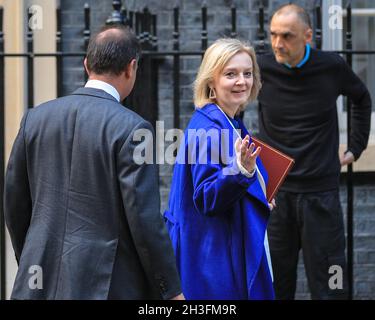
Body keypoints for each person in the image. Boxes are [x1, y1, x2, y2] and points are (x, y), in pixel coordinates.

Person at [4, 24, 183, 300]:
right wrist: (170, 290)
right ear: (131, 68)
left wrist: (32, 258)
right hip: (105, 284)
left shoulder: (35, 119)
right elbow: (144, 220)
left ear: (87, 65)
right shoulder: (133, 128)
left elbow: (15, 205)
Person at [257, 4, 372, 300]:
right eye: (273, 35)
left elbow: (361, 97)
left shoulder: (331, 67)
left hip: (321, 194)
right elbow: (228, 100)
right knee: (274, 285)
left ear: (308, 36)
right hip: (275, 195)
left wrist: (356, 146)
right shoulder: (261, 68)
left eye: (287, 36)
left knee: (331, 284)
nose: (278, 44)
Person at [164, 38, 275, 300]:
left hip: (217, 252)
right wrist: (240, 170)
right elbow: (206, 197)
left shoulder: (229, 119)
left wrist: (260, 195)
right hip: (212, 261)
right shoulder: (209, 129)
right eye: (230, 74)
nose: (242, 81)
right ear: (211, 81)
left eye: (247, 73)